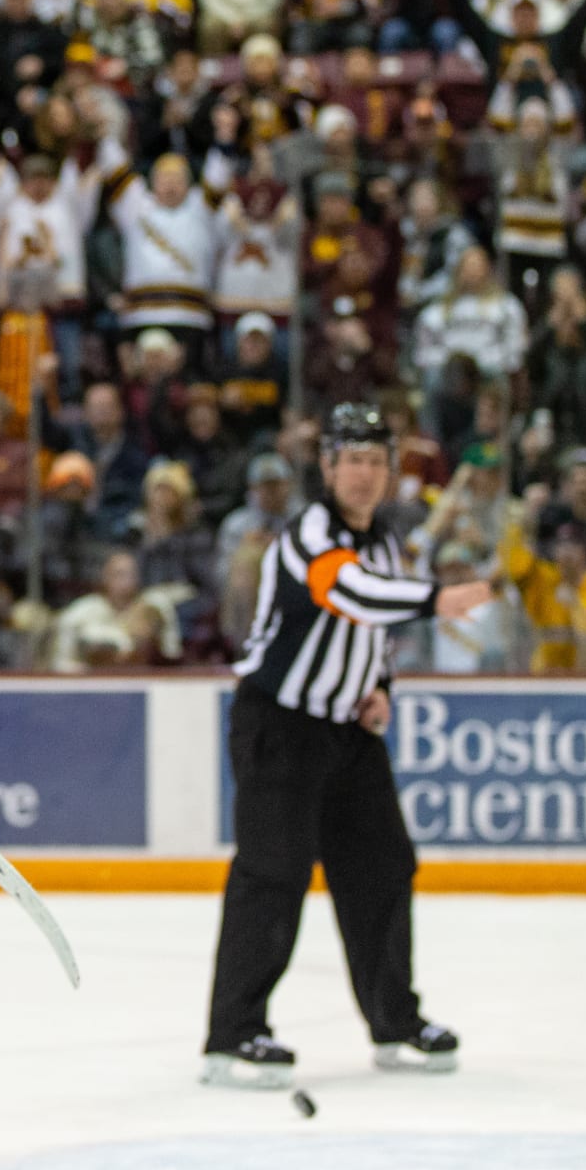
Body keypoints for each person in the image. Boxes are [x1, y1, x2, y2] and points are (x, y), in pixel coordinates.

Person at [205, 403, 496, 1089]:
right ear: (327, 468)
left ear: (390, 472)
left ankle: (395, 1022)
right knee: (273, 873)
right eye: (351, 460)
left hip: (347, 731)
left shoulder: (386, 542)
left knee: (384, 869)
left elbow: (372, 631)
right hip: (281, 725)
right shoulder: (309, 533)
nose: (364, 474)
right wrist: (435, 601)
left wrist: (379, 685)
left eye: (375, 461)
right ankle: (232, 1035)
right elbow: (352, 596)